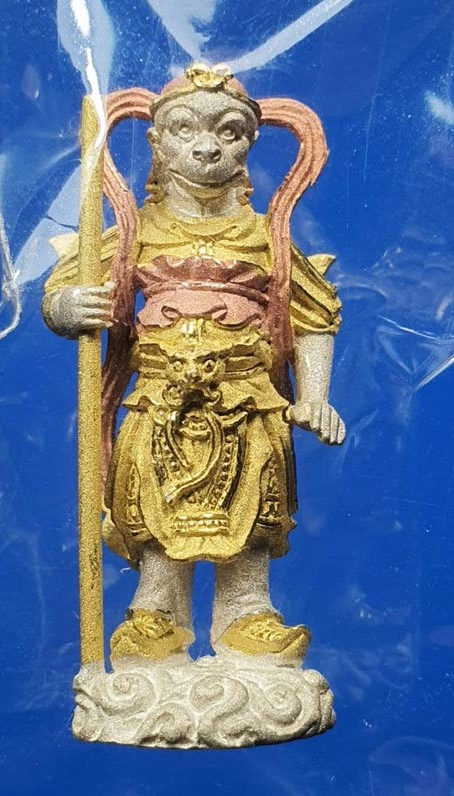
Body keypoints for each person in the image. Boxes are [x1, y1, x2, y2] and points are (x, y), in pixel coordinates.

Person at [42, 63, 344, 668]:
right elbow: (61, 292)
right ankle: (156, 611)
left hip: (248, 400)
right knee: (154, 507)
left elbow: (313, 315)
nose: (207, 147)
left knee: (252, 505)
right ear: (157, 142)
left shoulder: (266, 237)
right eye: (185, 129)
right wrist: (67, 307)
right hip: (159, 399)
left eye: (228, 131)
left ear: (250, 143)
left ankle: (247, 612)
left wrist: (314, 395)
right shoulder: (135, 233)